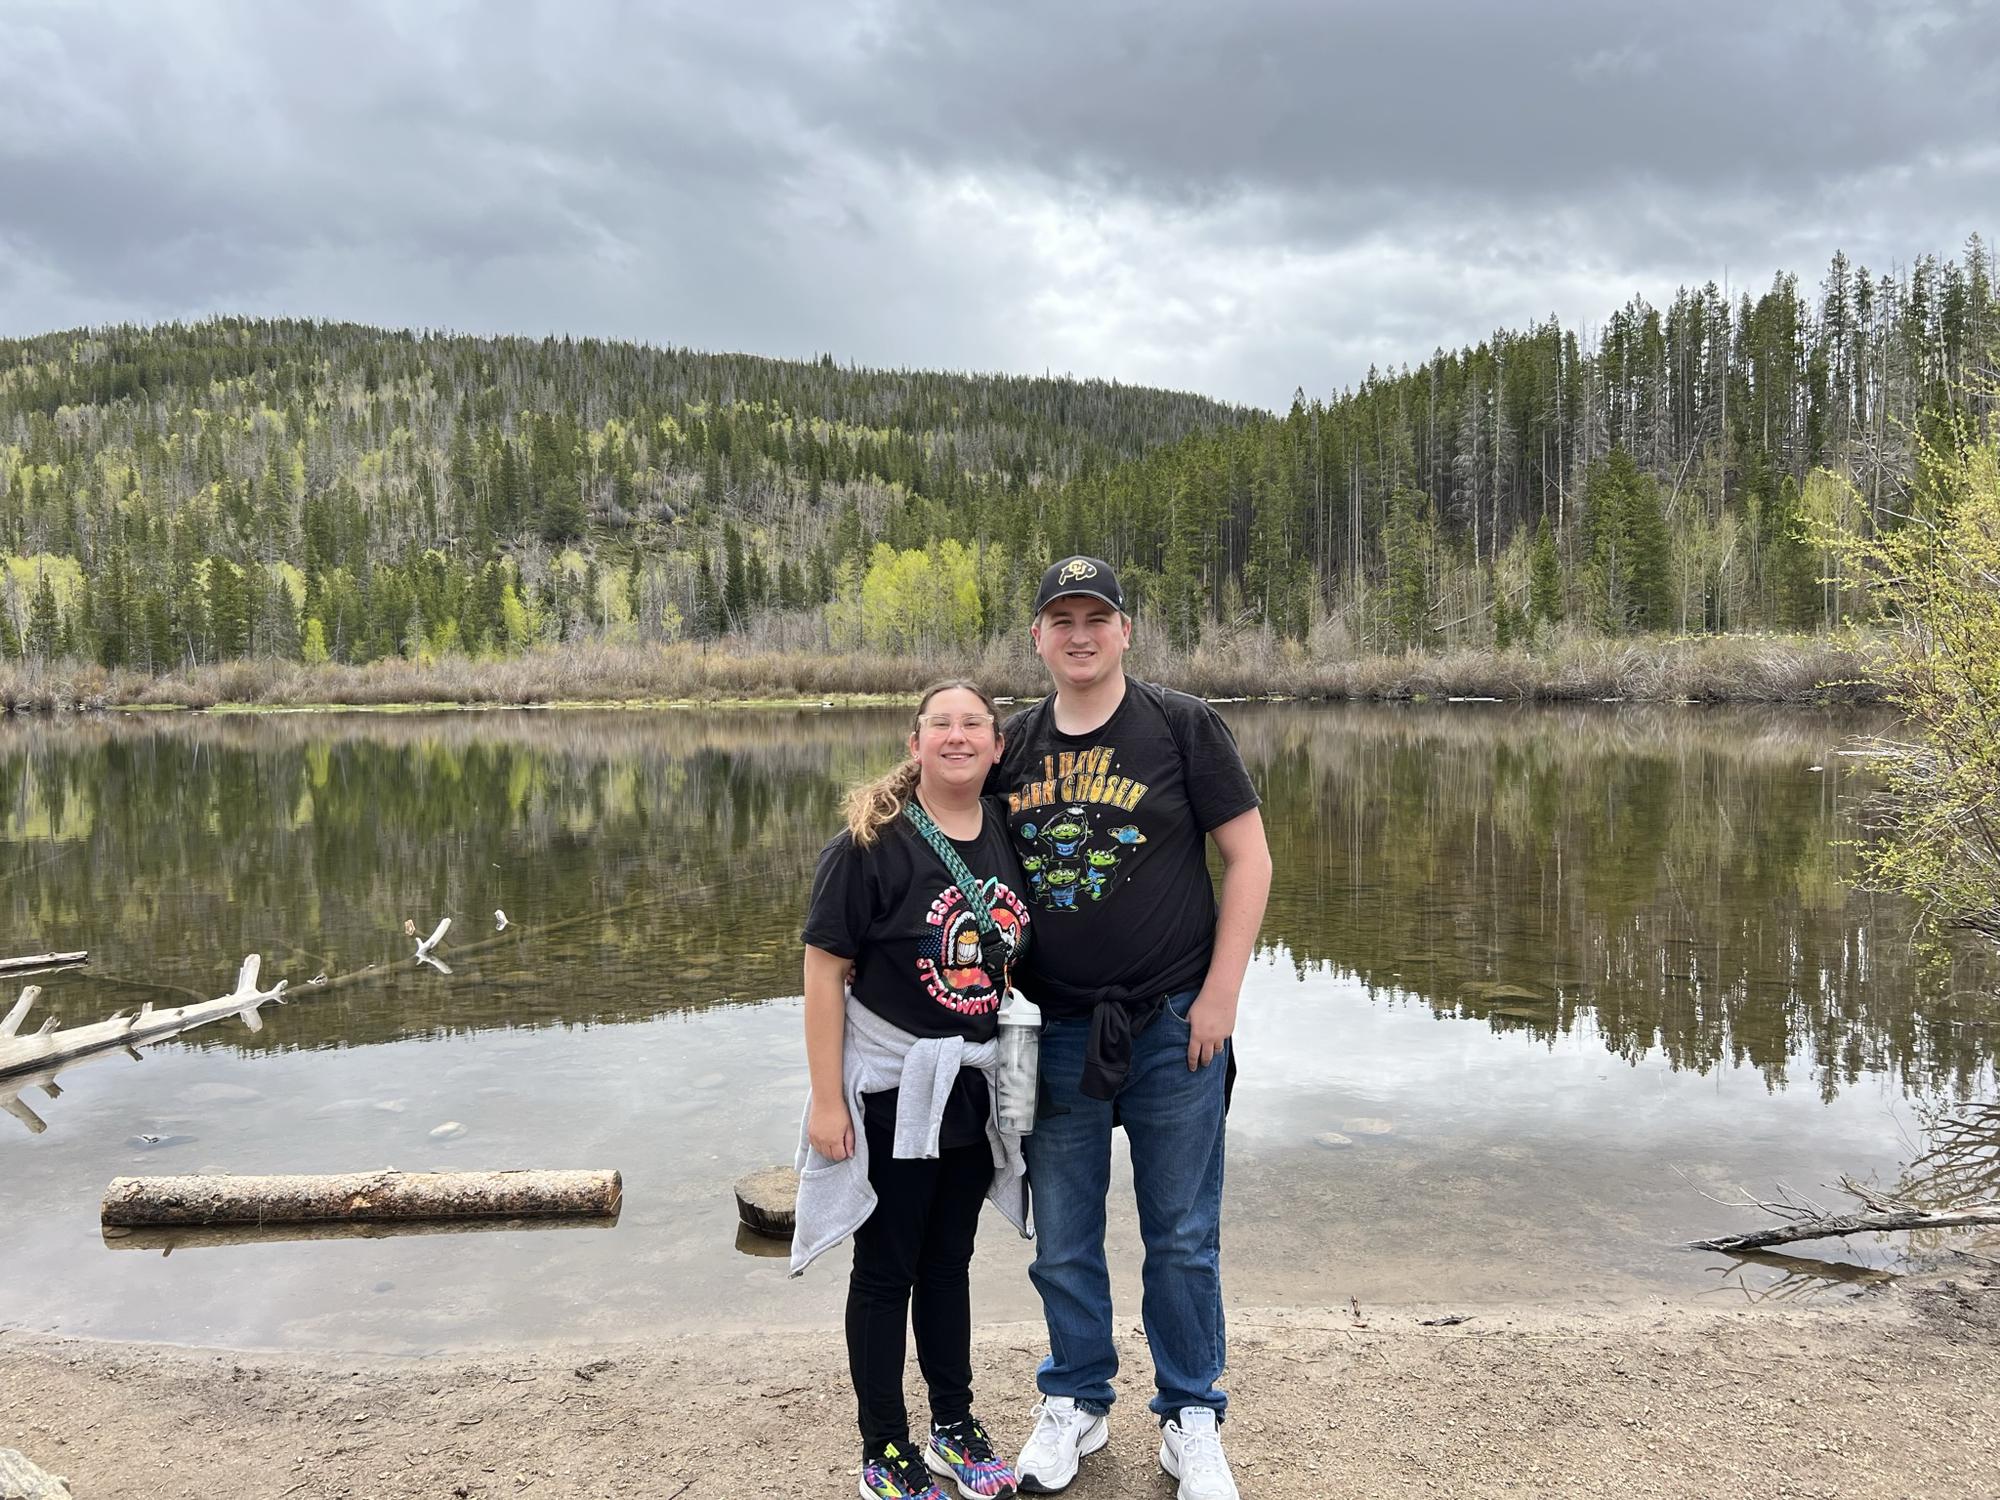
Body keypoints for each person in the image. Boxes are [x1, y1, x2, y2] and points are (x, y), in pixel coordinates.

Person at [989, 558, 1271, 1500]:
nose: (1079, 633)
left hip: (1173, 1026)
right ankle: (1077, 1397)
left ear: (1125, 631)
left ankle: (1191, 1415)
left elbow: (1250, 859)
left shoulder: (1182, 726)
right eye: (1060, 617)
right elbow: (948, 846)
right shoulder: (1011, 745)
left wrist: (1221, 997)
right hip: (1054, 1030)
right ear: (1036, 637)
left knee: (1183, 1234)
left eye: (1096, 616)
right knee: (1061, 1237)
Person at [794, 679, 1034, 1500]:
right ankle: (883, 1446)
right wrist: (829, 1100)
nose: (959, 736)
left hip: (970, 1089)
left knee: (949, 1262)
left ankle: (953, 1425)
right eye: (943, 725)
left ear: (998, 747)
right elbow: (824, 977)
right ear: (915, 743)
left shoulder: (1007, 833)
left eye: (975, 725)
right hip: (895, 1088)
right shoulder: (870, 845)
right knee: (885, 1266)